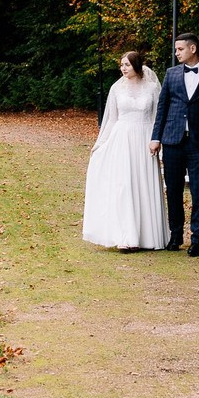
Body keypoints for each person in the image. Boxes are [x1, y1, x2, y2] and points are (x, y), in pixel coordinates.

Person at [148, 33, 199, 256]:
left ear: (193, 49)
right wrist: (156, 137)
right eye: (176, 49)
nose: (176, 53)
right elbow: (162, 108)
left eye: (180, 49)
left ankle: (197, 240)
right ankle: (175, 236)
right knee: (173, 190)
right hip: (172, 140)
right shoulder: (171, 74)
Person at [82, 51, 166, 250]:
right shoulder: (116, 88)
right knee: (124, 185)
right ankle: (125, 236)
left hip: (145, 139)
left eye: (127, 64)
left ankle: (147, 236)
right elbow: (111, 118)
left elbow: (157, 117)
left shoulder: (153, 88)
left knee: (144, 183)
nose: (123, 68)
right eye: (121, 65)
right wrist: (100, 143)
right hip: (122, 139)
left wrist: (157, 140)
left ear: (136, 65)